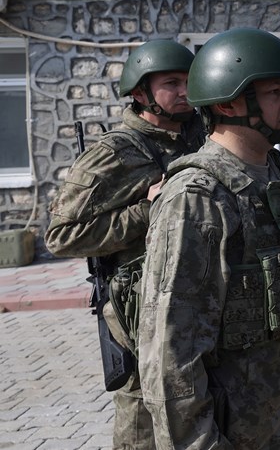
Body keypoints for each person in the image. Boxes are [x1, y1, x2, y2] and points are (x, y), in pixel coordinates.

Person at [137, 28, 280, 449]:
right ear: (228, 102)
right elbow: (169, 356)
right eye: (275, 91)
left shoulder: (272, 174)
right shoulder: (197, 197)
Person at [45, 39, 204, 450]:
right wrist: (146, 211)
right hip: (137, 308)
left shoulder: (200, 138)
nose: (185, 90)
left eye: (190, 80)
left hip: (197, 301)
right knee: (142, 421)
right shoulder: (114, 153)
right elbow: (61, 236)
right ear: (140, 93)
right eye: (172, 82)